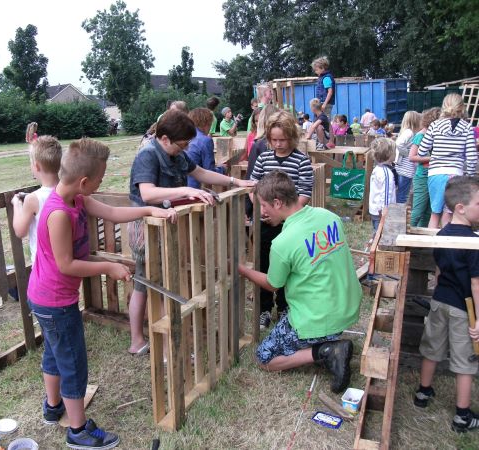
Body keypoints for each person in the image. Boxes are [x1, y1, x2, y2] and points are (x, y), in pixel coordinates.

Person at [27, 138, 176, 449]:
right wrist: (108, 267)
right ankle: (78, 430)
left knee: (55, 353)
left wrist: (150, 209)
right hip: (54, 301)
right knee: (72, 362)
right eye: (100, 178)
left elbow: (112, 212)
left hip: (47, 298)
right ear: (84, 181)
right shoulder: (58, 213)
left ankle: (53, 408)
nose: (101, 183)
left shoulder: (77, 199)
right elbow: (67, 265)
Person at [127, 110, 255, 355]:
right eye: (182, 144)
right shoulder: (148, 155)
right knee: (153, 285)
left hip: (167, 224)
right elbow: (147, 193)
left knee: (164, 282)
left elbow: (200, 173)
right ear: (165, 139)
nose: (185, 148)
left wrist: (236, 182)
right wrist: (186, 191)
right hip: (148, 230)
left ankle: (163, 343)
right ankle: (160, 348)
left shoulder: (176, 154)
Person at [238, 171, 361, 393]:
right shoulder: (328, 216)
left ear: (277, 203)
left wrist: (243, 270)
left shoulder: (283, 242)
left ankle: (325, 351)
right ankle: (326, 341)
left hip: (318, 318)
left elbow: (273, 284)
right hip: (346, 308)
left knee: (264, 357)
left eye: (264, 205)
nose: (262, 211)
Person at [414, 176, 479, 432]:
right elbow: (476, 284)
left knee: (432, 348)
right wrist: (478, 319)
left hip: (439, 301)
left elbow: (439, 272)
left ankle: (423, 392)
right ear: (461, 208)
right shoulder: (473, 242)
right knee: (466, 361)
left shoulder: (442, 234)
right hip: (465, 309)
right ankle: (462, 416)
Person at [249, 112, 314, 329]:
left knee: (289, 266)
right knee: (264, 264)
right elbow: (253, 187)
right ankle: (264, 309)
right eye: (274, 139)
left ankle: (286, 306)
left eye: (283, 140)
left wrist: (283, 214)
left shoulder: (301, 161)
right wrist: (263, 210)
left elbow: (304, 193)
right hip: (265, 223)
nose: (278, 144)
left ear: (292, 137)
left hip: (289, 225)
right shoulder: (263, 159)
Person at [418, 93, 477, 228]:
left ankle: (431, 240)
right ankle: (447, 240)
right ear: (462, 108)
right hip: (456, 174)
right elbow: (472, 158)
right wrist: (470, 176)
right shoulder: (467, 127)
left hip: (436, 174)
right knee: (449, 214)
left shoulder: (435, 125)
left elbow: (421, 151)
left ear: (444, 106)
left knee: (435, 214)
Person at [12, 136, 62, 264]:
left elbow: (20, 231)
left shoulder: (33, 199)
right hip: (67, 262)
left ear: (37, 166)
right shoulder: (68, 192)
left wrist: (16, 204)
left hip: (43, 268)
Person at [409, 107, 442, 227]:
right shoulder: (421, 135)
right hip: (422, 177)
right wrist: (433, 158)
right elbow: (412, 157)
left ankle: (420, 236)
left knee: (428, 212)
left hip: (433, 176)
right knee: (418, 211)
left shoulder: (436, 135)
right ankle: (406, 233)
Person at [185, 108, 226, 188]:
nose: (210, 127)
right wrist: (222, 169)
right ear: (206, 123)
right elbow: (209, 171)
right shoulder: (205, 140)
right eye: (210, 124)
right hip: (194, 188)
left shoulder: (185, 135)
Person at [368, 138, 397, 231]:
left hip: (375, 210)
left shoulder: (377, 169)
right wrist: (385, 211)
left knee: (376, 232)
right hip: (382, 212)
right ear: (389, 154)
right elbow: (386, 193)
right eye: (394, 151)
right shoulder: (386, 173)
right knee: (381, 235)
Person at [394, 111, 422, 203]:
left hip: (404, 168)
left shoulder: (406, 132)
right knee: (403, 195)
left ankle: (398, 208)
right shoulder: (409, 132)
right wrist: (409, 153)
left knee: (401, 192)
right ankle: (399, 211)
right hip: (406, 169)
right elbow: (398, 144)